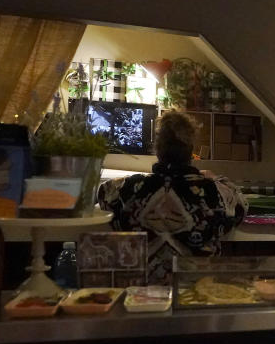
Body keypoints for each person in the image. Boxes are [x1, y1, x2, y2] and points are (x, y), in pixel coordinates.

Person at [97, 111, 247, 284]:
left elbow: (104, 194)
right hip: (195, 293)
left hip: (141, 295)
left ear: (157, 149)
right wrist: (214, 178)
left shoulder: (128, 188)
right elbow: (240, 206)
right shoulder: (213, 191)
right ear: (191, 150)